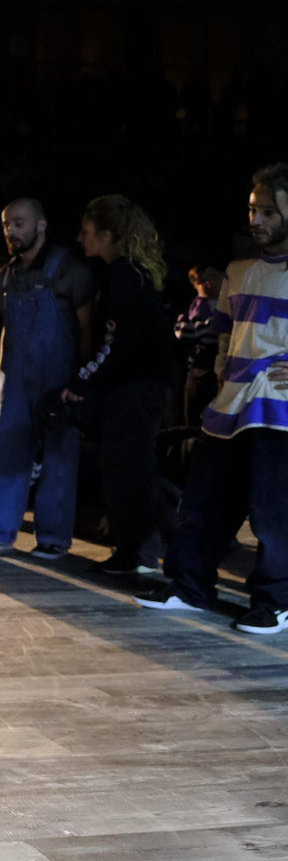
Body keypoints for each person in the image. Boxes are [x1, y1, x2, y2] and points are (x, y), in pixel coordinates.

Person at [138, 166, 288, 631]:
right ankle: (189, 586)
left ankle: (277, 602)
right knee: (204, 500)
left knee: (272, 512)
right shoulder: (239, 273)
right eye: (252, 209)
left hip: (279, 414)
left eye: (268, 211)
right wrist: (224, 373)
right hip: (231, 407)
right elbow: (225, 336)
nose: (256, 219)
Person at [0, 198, 95, 559]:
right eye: (7, 225)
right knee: (6, 450)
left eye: (19, 223)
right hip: (15, 377)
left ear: (41, 225)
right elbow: (5, 330)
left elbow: (86, 326)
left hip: (60, 375)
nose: (11, 231)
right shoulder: (5, 276)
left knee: (59, 457)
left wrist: (83, 379)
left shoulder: (68, 267)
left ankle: (53, 538)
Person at [60, 196, 172, 575]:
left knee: (127, 469)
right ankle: (140, 548)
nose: (80, 238)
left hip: (135, 387)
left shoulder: (121, 276)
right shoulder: (131, 273)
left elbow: (117, 343)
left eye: (87, 232)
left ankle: (137, 552)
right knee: (132, 467)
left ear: (107, 235)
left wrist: (82, 380)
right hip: (141, 385)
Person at [174, 264, 225, 426]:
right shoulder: (198, 306)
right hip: (202, 369)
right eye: (204, 280)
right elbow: (192, 331)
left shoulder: (229, 303)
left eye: (215, 277)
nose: (209, 283)